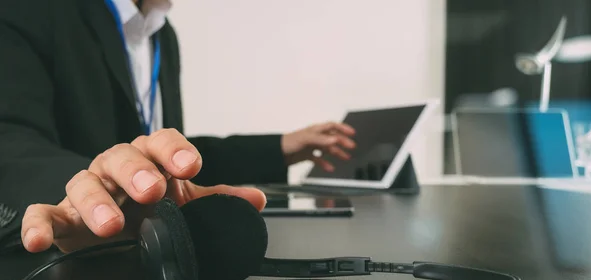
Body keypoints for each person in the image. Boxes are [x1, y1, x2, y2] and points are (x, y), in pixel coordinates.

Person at [0, 0, 356, 254]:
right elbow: (10, 139)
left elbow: (167, 163)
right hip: (64, 276)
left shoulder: (162, 35)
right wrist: (90, 198)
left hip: (145, 265)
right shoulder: (27, 10)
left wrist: (279, 146)